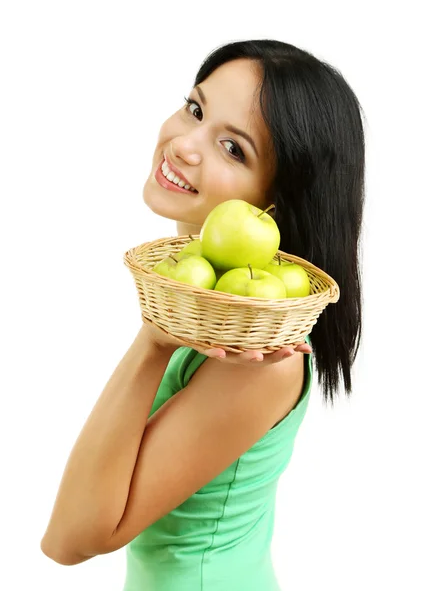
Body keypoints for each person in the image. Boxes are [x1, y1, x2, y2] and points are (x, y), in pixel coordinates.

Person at [40, 39, 365, 590]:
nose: (185, 144)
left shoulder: (261, 357)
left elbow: (71, 539)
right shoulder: (210, 312)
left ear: (274, 203)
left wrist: (151, 342)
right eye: (195, 108)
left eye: (233, 149)